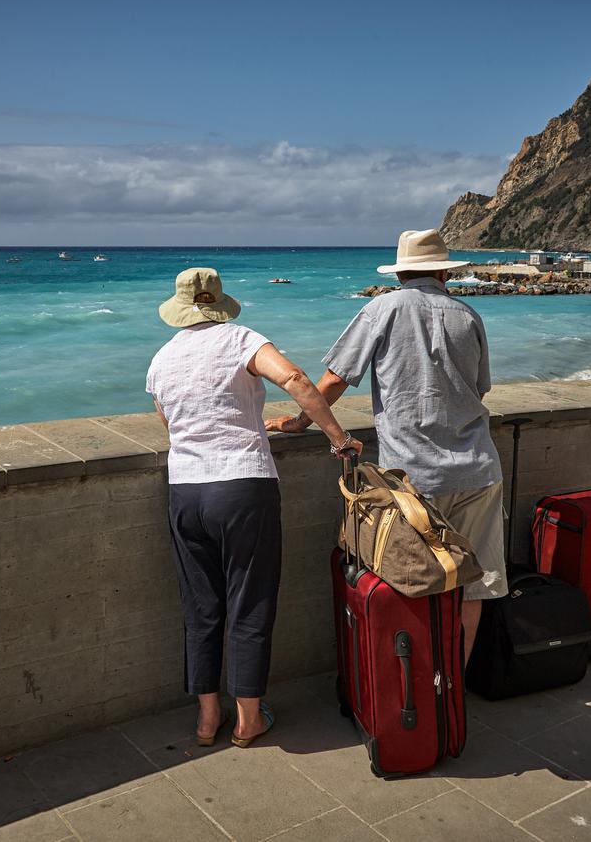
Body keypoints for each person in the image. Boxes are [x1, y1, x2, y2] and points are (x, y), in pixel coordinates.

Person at [267, 229, 506, 666]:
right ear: (443, 271)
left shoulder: (382, 308)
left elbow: (336, 378)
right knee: (477, 584)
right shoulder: (467, 315)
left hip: (413, 478)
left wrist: (300, 421)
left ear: (399, 272)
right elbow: (480, 390)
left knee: (413, 580)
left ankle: (417, 688)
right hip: (478, 469)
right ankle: (454, 684)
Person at [146, 267, 362, 749]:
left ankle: (206, 718)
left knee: (200, 606)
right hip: (243, 485)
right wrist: (339, 439)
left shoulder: (161, 359)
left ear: (179, 309)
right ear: (219, 304)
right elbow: (296, 378)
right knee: (249, 600)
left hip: (186, 490)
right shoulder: (241, 339)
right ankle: (247, 719)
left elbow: (170, 422)